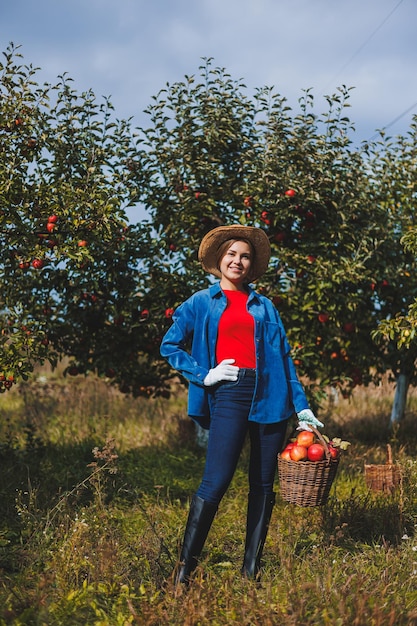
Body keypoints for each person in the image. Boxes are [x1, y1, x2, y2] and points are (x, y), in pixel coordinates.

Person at [160, 224, 323, 584]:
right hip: (229, 391)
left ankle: (251, 571)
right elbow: (169, 346)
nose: (238, 261)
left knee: (263, 485)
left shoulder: (264, 306)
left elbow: (283, 358)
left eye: (245, 256)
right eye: (232, 254)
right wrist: (204, 375)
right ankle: (183, 572)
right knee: (215, 481)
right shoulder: (202, 302)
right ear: (220, 259)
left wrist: (303, 409)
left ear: (251, 265)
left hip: (271, 395)